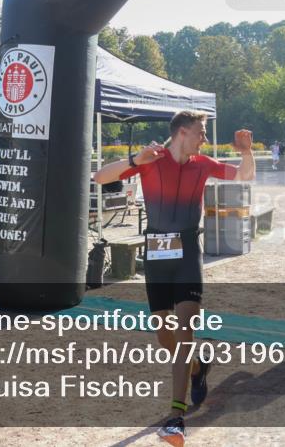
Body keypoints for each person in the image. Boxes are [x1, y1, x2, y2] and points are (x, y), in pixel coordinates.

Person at [93, 110, 255, 446]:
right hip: (156, 256)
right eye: (201, 131)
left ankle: (175, 418)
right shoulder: (151, 159)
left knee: (184, 332)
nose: (205, 137)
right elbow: (99, 177)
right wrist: (133, 158)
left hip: (187, 255)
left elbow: (243, 177)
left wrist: (246, 152)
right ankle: (197, 367)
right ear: (182, 131)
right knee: (164, 337)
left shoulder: (204, 164)